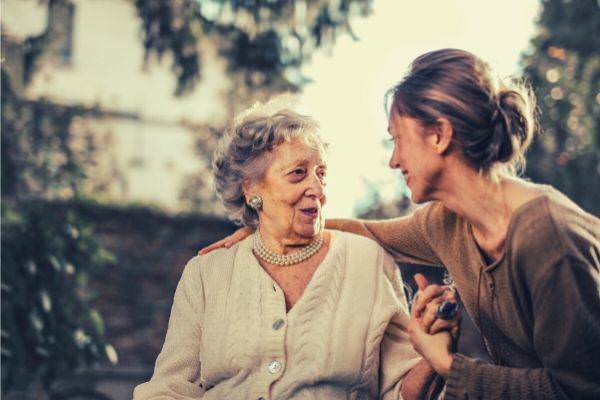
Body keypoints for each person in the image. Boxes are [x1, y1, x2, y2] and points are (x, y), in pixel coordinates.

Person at [199, 49, 600, 399]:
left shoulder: (549, 238)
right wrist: (268, 227)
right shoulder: (447, 223)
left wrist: (447, 364)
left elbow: (581, 390)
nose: (393, 160)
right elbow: (368, 232)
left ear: (439, 135)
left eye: (397, 139)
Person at [134, 105, 458, 399]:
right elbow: (170, 389)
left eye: (321, 174)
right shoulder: (207, 273)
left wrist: (434, 357)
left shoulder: (367, 262)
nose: (317, 189)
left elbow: (402, 392)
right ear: (251, 188)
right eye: (298, 173)